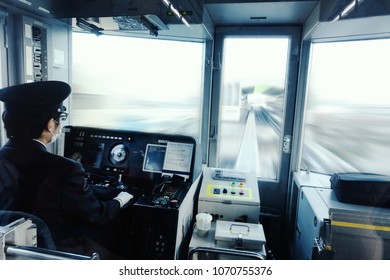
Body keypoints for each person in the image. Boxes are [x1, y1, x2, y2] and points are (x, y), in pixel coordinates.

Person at [0, 81, 132, 258]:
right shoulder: (67, 169)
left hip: (12, 250)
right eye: (59, 120)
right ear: (49, 125)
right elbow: (97, 215)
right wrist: (121, 199)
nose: (59, 126)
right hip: (54, 252)